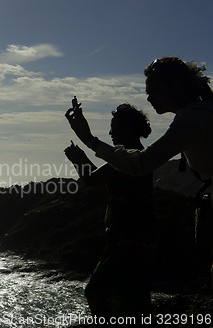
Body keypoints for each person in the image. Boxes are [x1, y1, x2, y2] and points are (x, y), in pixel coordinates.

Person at [66, 57, 213, 288]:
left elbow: (137, 165)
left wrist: (88, 140)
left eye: (154, 90)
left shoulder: (191, 118)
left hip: (130, 235)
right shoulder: (201, 110)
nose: (148, 97)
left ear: (176, 86)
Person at [65, 103, 155, 317]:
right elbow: (99, 176)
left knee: (97, 290)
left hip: (130, 240)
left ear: (129, 129)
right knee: (130, 295)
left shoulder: (132, 157)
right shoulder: (128, 158)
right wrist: (82, 156)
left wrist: (79, 157)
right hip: (125, 238)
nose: (110, 133)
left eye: (114, 127)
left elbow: (92, 179)